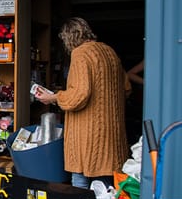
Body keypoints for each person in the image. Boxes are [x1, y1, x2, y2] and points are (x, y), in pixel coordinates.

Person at [35, 17, 131, 189]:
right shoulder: (110, 52)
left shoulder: (80, 54)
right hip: (112, 133)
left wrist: (54, 97)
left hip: (88, 134)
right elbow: (127, 88)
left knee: (80, 181)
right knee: (105, 187)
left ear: (69, 38)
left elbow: (79, 96)